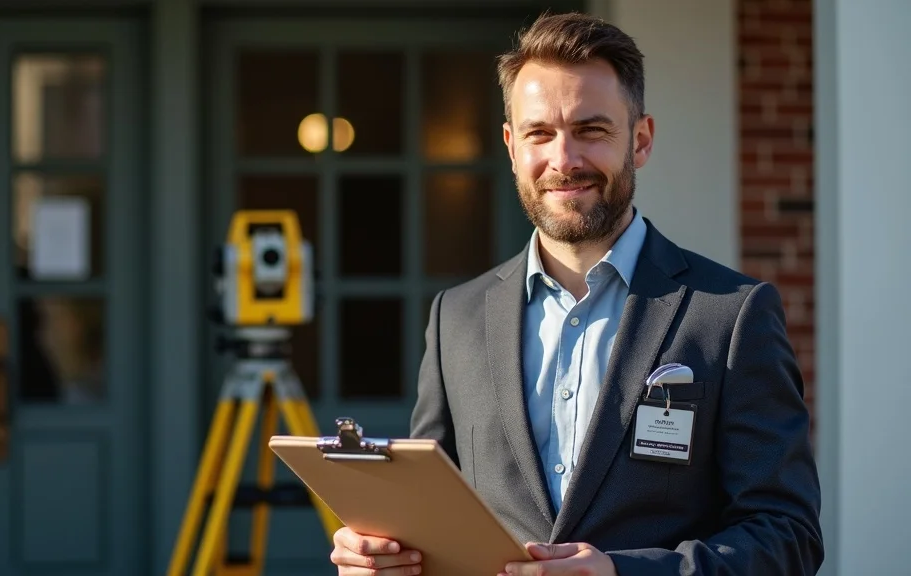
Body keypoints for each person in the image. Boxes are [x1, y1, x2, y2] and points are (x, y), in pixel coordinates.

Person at [329, 11, 823, 576]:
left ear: (640, 140)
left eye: (591, 130)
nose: (563, 161)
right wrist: (382, 554)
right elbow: (430, 514)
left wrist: (621, 572)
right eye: (540, 133)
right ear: (512, 146)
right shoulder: (455, 318)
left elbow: (788, 535)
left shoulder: (730, 315)